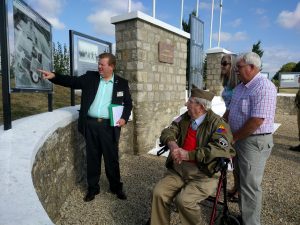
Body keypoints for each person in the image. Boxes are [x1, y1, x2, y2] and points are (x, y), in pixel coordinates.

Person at [38, 52, 132, 202]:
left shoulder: (121, 83)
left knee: (111, 160)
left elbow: (128, 104)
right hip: (91, 125)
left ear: (112, 66)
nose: (99, 67)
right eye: (99, 64)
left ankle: (116, 187)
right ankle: (93, 189)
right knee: (93, 159)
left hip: (109, 127)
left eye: (102, 64)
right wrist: (54, 76)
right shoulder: (90, 78)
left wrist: (124, 118)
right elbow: (72, 81)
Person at [148, 86, 235, 225]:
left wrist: (189, 155)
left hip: (204, 175)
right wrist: (173, 145)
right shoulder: (185, 118)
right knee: (158, 193)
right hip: (179, 170)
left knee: (184, 201)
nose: (185, 104)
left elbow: (220, 149)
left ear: (200, 106)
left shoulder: (218, 124)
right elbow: (168, 131)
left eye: (189, 101)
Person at [227, 52, 277, 225]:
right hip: (240, 140)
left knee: (250, 187)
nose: (236, 71)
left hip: (253, 142)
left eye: (239, 67)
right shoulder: (241, 87)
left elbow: (257, 120)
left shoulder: (265, 87)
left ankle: (251, 222)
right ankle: (245, 217)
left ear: (252, 67)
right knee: (241, 181)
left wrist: (234, 137)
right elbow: (231, 111)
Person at [220, 54, 240, 202]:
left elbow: (234, 107)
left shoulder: (239, 84)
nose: (222, 66)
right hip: (228, 122)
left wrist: (222, 120)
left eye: (225, 63)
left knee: (238, 160)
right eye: (222, 63)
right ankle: (236, 187)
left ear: (232, 65)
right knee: (232, 158)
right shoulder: (227, 83)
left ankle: (239, 190)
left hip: (235, 124)